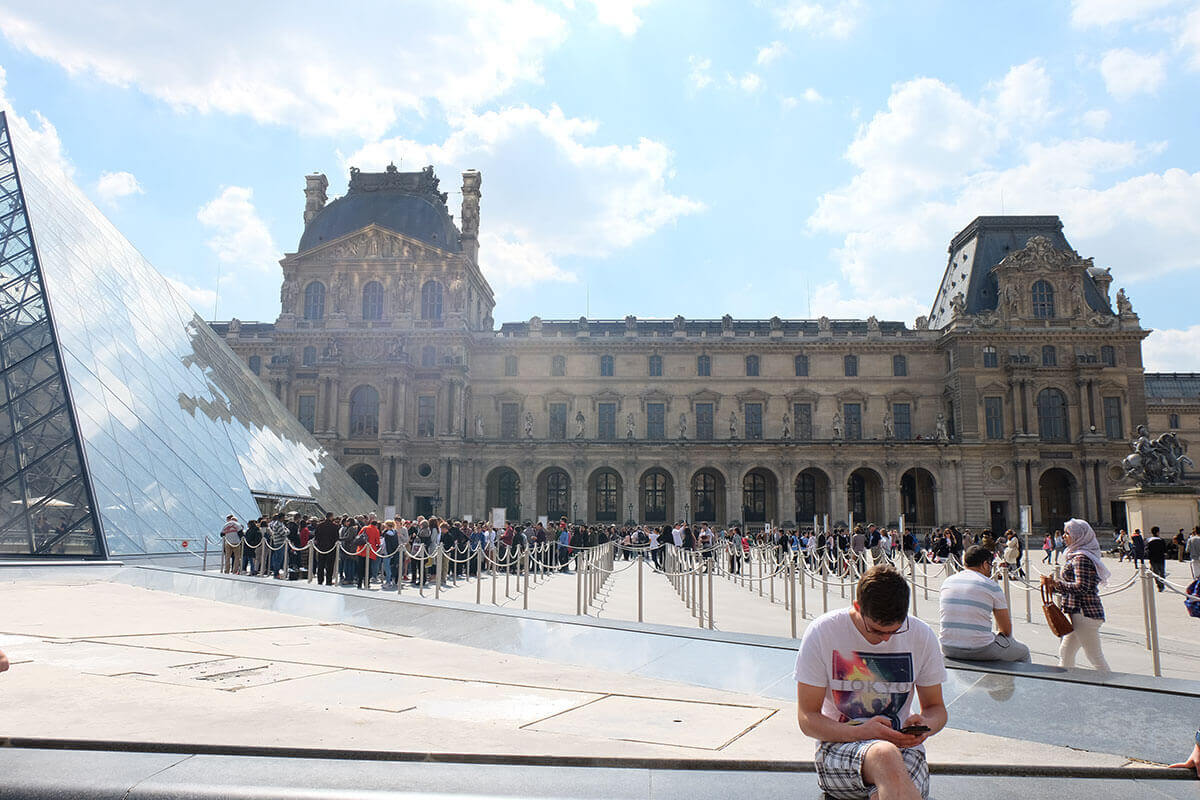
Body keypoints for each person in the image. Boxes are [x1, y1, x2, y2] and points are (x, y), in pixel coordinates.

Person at [795, 565, 948, 800]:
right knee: (885, 755)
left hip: (905, 751)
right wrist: (862, 732)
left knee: (888, 781)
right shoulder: (823, 632)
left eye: (895, 631)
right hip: (838, 747)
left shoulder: (921, 635)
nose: (885, 638)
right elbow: (807, 718)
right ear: (857, 607)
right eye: (876, 630)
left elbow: (936, 709)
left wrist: (925, 724)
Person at [939, 545, 1030, 662]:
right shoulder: (991, 586)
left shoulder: (947, 582)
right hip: (981, 649)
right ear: (985, 564)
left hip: (947, 647)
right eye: (990, 565)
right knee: (1023, 652)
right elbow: (1006, 630)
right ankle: (1009, 680)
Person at [1042, 518, 1111, 672]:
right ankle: (1065, 684)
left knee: (1095, 657)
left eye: (1068, 533)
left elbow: (1082, 587)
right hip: (1080, 613)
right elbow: (1075, 586)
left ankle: (1115, 688)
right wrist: (1053, 587)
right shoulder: (1075, 555)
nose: (1063, 536)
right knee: (1066, 652)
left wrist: (1056, 584)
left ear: (1078, 535)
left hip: (1085, 613)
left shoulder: (1081, 558)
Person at [313, 512, 340, 586]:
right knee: (330, 566)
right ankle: (328, 580)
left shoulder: (319, 525)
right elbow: (336, 538)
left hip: (321, 548)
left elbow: (316, 537)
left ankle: (320, 580)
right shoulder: (335, 526)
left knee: (321, 565)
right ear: (331, 517)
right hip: (331, 548)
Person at [1146, 526, 1168, 593]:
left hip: (1153, 560)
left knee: (1155, 573)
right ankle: (1162, 585)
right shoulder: (1161, 540)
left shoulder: (1149, 541)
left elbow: (1147, 550)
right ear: (1158, 532)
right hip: (1161, 559)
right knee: (1162, 572)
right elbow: (1165, 550)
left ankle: (1159, 585)